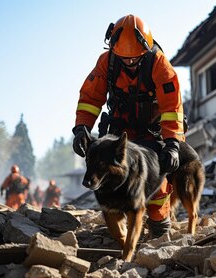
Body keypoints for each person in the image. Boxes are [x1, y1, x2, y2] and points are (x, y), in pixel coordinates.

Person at [71, 14, 184, 238]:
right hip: (120, 132)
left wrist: (172, 144)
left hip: (152, 133)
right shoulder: (107, 62)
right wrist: (81, 129)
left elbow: (172, 107)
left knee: (158, 180)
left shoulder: (160, 65)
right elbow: (90, 98)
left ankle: (160, 227)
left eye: (135, 59)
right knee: (106, 172)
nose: (130, 62)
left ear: (145, 49)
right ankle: (119, 224)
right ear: (114, 50)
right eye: (125, 58)